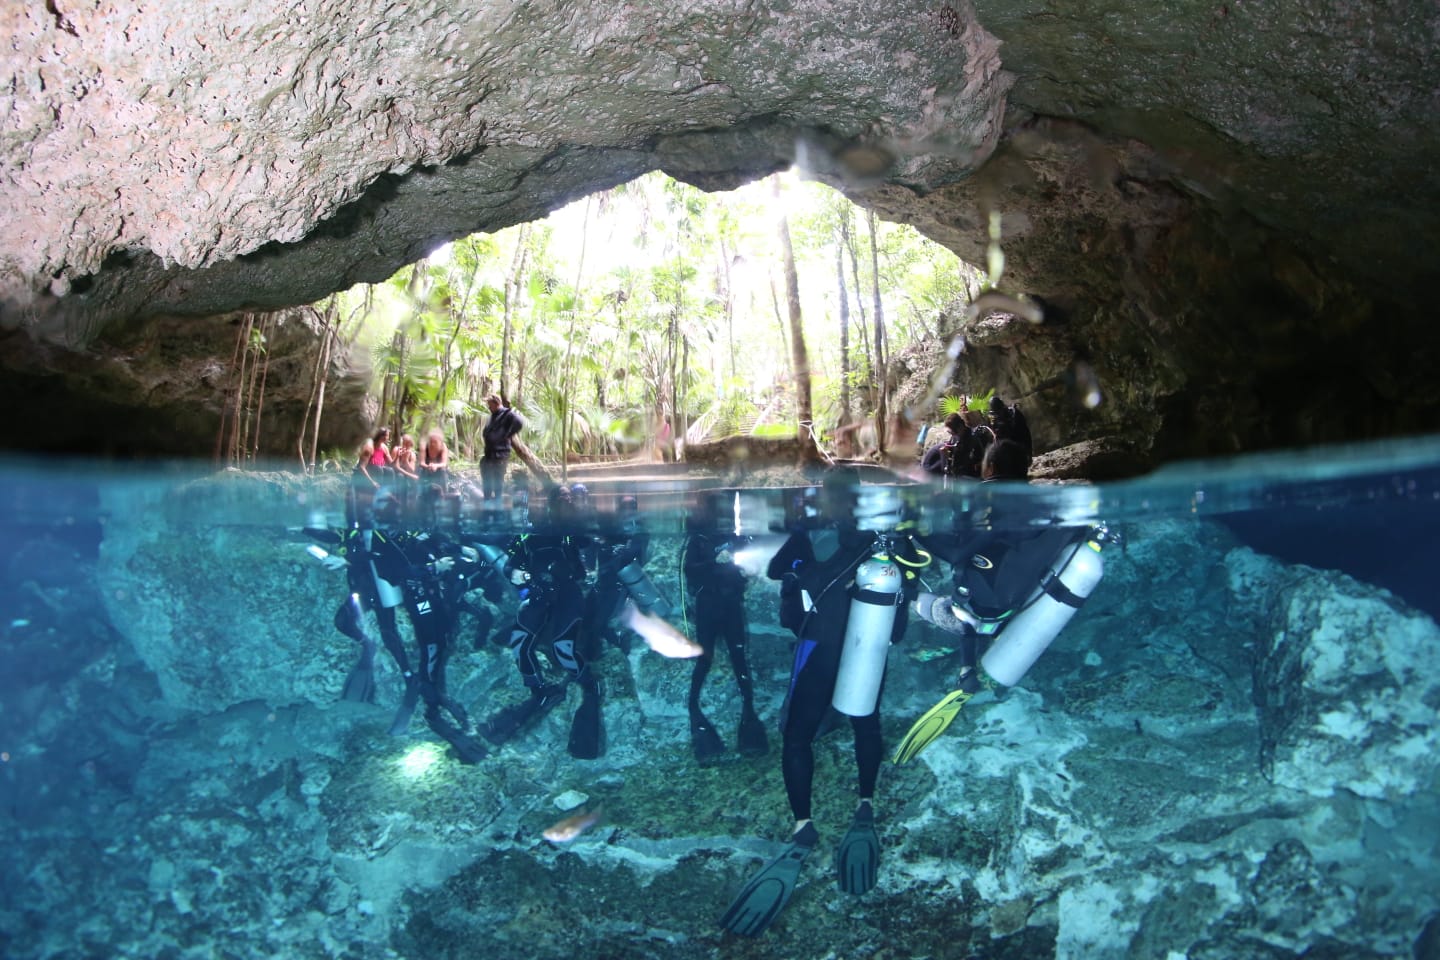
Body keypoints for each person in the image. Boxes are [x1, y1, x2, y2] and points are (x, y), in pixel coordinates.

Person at [721, 466, 928, 937]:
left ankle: (803, 827)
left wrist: (798, 567)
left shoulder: (811, 531)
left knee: (796, 735)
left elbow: (776, 570)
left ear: (825, 497)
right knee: (866, 722)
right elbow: (909, 592)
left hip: (819, 647)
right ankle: (865, 805)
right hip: (866, 645)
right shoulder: (884, 537)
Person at [481, 484, 605, 759]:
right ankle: (539, 690)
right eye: (560, 499)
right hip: (538, 594)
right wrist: (515, 574)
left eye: (568, 499)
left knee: (563, 649)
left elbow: (588, 548)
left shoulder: (573, 530)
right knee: (519, 644)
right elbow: (511, 562)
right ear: (547, 504)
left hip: (567, 595)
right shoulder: (531, 533)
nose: (565, 503)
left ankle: (588, 683)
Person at [681, 490, 767, 764]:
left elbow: (750, 561)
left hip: (729, 605)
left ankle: (748, 718)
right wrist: (715, 565)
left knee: (738, 657)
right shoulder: (699, 539)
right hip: (710, 605)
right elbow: (690, 570)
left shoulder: (735, 536)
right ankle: (698, 717)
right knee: (705, 660)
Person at [481, 394, 524, 501]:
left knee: (497, 482)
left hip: (500, 455)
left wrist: (508, 434)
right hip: (489, 455)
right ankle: (487, 502)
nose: (489, 407)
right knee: (487, 481)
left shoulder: (507, 414)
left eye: (490, 405)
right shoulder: (493, 416)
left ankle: (497, 506)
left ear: (496, 403)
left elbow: (519, 422)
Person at [419, 428, 452, 525]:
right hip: (427, 468)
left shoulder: (443, 447)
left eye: (435, 442)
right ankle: (421, 493)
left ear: (440, 442)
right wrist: (429, 466)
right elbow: (421, 462)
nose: (432, 444)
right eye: (431, 441)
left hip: (438, 468)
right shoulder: (425, 447)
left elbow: (444, 463)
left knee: (443, 471)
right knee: (421, 470)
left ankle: (444, 495)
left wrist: (435, 466)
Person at [392, 434, 420, 520]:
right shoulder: (396, 450)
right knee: (401, 477)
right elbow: (395, 467)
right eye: (404, 444)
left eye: (408, 444)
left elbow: (412, 470)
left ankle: (412, 507)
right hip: (396, 474)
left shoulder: (412, 455)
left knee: (415, 481)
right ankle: (400, 505)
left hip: (407, 476)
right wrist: (411, 475)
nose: (405, 446)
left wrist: (406, 461)